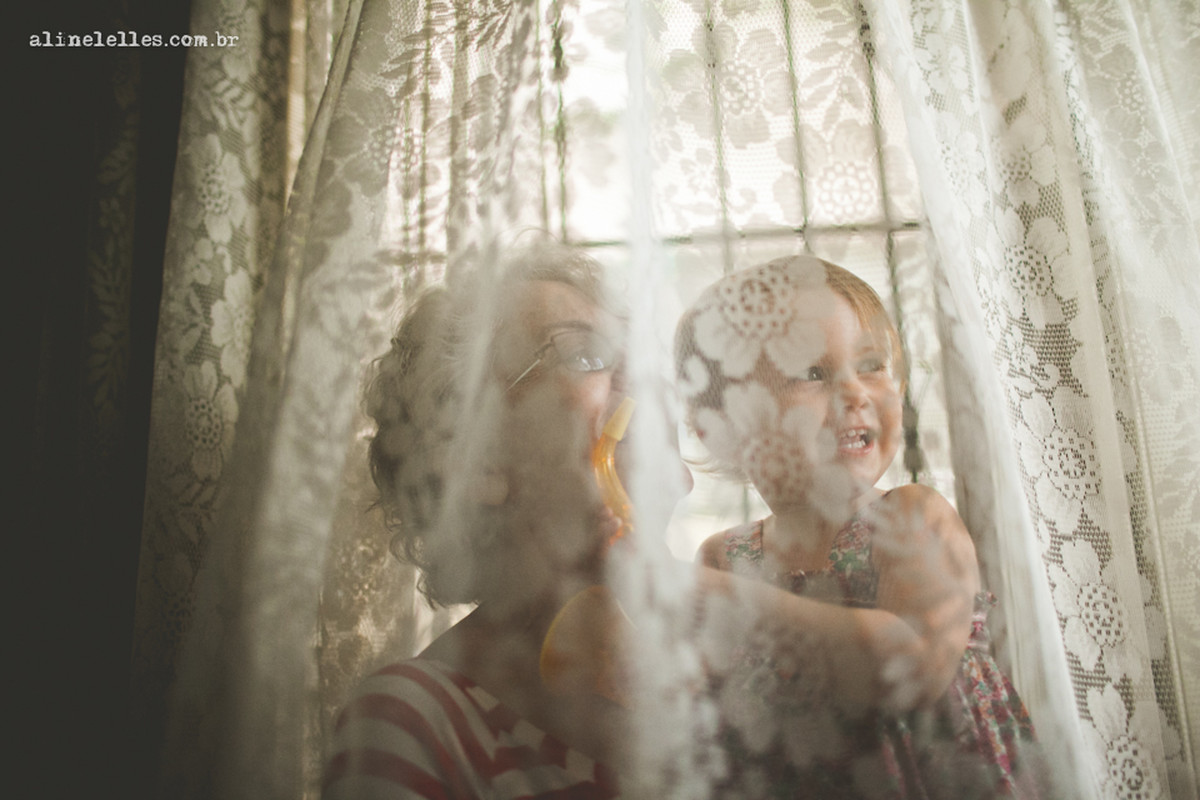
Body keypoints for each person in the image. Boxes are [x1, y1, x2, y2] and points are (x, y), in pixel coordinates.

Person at [674, 255, 1043, 799]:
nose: (855, 392)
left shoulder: (912, 517)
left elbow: (913, 665)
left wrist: (722, 600)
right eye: (812, 373)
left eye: (870, 365)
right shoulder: (724, 558)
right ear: (724, 427)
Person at [322, 242, 647, 799]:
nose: (638, 380)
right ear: (474, 460)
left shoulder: (726, 654)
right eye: (585, 354)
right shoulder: (412, 722)